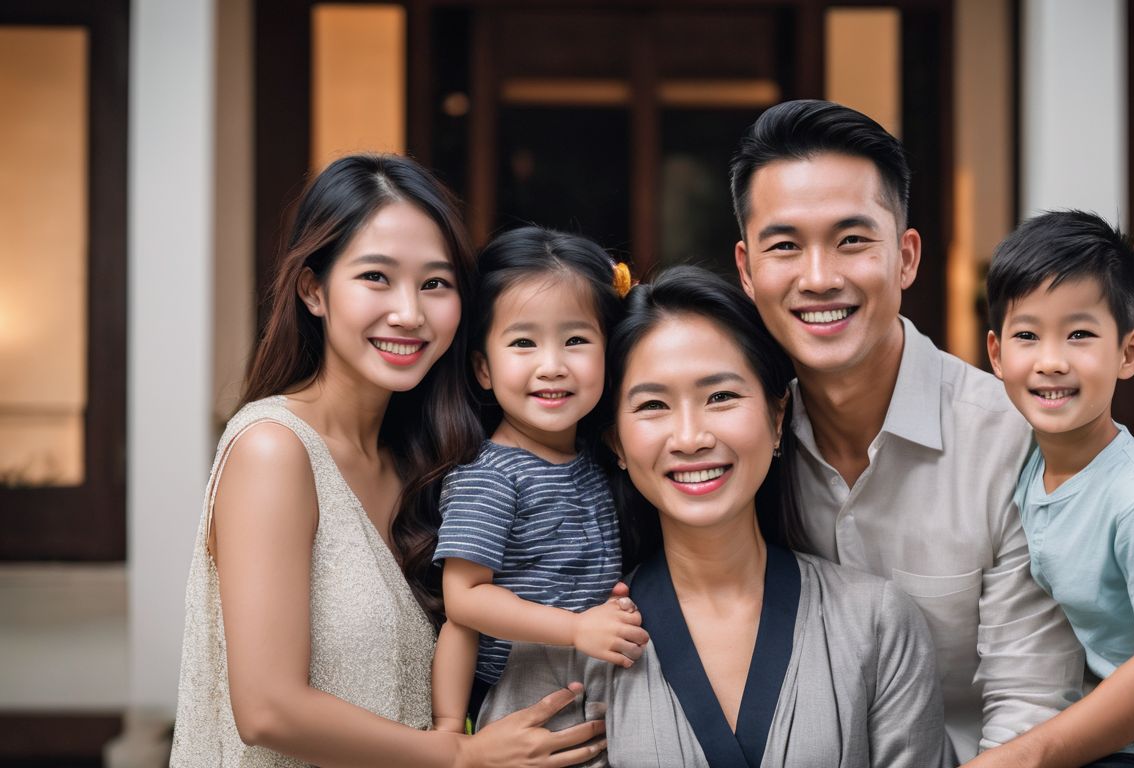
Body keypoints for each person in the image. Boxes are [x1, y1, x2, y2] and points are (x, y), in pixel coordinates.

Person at [171, 154, 607, 767]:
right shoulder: (274, 449)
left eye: (435, 283)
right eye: (376, 277)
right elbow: (267, 707)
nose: (409, 312)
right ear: (313, 289)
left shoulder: (425, 460)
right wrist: (460, 755)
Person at [476, 266, 951, 768]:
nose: (690, 437)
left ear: (777, 416)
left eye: (720, 397)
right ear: (615, 440)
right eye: (653, 404)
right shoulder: (566, 639)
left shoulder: (877, 623)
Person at [729, 99, 1084, 761]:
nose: (818, 277)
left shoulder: (1014, 442)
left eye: (852, 240)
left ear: (906, 257)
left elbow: (1029, 706)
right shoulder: (734, 443)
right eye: (785, 246)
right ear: (748, 270)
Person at [968, 210, 1134, 768]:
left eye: (1080, 334)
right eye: (1027, 335)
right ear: (997, 354)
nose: (1051, 361)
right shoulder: (1027, 461)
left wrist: (1025, 757)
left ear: (1128, 353)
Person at [431, 227, 647, 733]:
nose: (552, 366)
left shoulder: (604, 459)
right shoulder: (491, 476)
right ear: (483, 368)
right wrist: (447, 731)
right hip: (520, 693)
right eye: (523, 343)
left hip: (597, 683)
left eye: (575, 340)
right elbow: (463, 601)